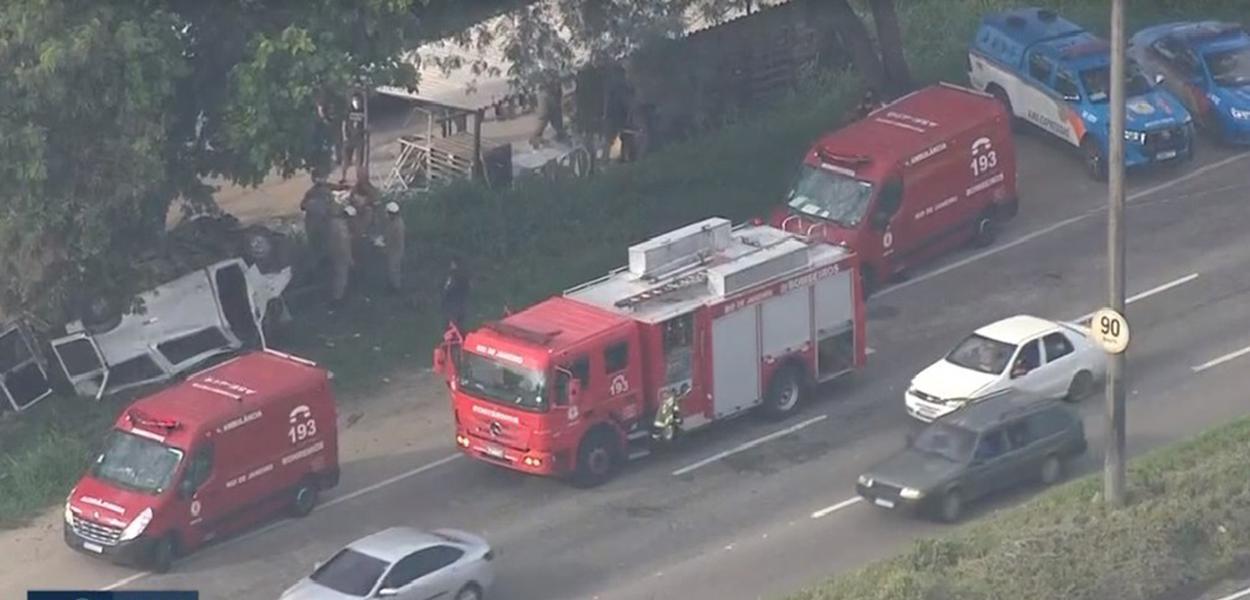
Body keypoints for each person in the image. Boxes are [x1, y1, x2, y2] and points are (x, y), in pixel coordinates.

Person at [300, 169, 334, 270]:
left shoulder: (327, 189)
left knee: (324, 246)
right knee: (317, 247)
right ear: (314, 179)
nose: (322, 180)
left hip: (323, 223)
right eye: (320, 178)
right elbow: (303, 205)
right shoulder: (312, 193)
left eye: (324, 177)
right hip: (315, 223)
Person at [327, 202, 356, 309]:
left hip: (332, 252)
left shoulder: (333, 222)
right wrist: (350, 259)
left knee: (334, 275)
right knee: (341, 277)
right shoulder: (342, 227)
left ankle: (335, 295)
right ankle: (337, 299)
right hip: (341, 256)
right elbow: (344, 245)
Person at [530, 74, 568, 148]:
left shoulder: (545, 95)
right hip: (547, 92)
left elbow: (543, 119)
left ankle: (537, 139)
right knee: (546, 118)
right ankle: (536, 138)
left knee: (554, 117)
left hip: (551, 93)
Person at [340, 92, 368, 184]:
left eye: (358, 100)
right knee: (346, 160)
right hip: (349, 139)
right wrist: (345, 136)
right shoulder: (348, 111)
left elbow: (368, 124)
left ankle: (358, 179)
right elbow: (344, 124)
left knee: (359, 161)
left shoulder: (364, 111)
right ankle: (343, 177)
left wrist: (366, 133)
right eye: (355, 100)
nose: (356, 102)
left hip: (360, 139)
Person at [379, 201, 405, 293]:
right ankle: (392, 285)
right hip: (393, 249)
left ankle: (395, 288)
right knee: (392, 269)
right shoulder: (394, 221)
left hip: (395, 251)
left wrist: (383, 244)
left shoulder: (397, 224)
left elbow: (394, 240)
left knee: (393, 269)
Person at [441, 257, 470, 331]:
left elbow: (447, 289)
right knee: (459, 325)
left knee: (451, 325)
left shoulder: (452, 276)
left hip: (453, 306)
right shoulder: (465, 275)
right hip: (462, 305)